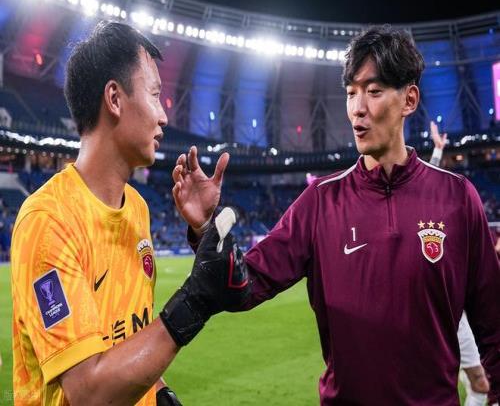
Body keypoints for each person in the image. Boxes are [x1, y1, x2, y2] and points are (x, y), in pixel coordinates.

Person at [173, 25, 500, 404]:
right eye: (350, 93)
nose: (358, 108)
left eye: (373, 91)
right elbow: (244, 286)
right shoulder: (320, 200)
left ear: (409, 99)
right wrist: (205, 227)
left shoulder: (457, 198)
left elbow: (493, 324)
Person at [10, 21, 250, 405]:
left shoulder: (136, 207)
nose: (164, 116)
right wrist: (195, 301)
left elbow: (128, 336)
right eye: (155, 94)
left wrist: (160, 392)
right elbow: (88, 393)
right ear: (115, 99)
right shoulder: (49, 220)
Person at [430, 120, 490, 406]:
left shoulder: (465, 223)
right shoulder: (426, 217)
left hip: (459, 318)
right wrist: (438, 151)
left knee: (480, 383)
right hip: (428, 317)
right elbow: (427, 182)